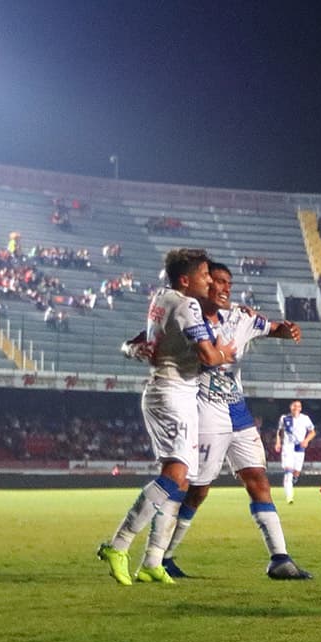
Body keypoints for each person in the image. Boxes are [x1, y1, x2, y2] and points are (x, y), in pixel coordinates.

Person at [156, 261, 311, 580]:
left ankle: (280, 559)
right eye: (218, 281)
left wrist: (286, 330)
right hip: (204, 413)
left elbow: (272, 328)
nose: (226, 288)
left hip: (238, 412)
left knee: (258, 479)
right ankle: (163, 556)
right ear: (203, 284)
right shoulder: (185, 317)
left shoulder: (241, 317)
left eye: (229, 282)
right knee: (197, 490)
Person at [97, 248, 236, 586]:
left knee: (180, 481)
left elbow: (144, 339)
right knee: (175, 476)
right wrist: (225, 353)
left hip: (173, 394)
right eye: (205, 275)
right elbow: (208, 357)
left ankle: (152, 561)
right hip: (173, 395)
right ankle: (119, 544)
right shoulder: (188, 305)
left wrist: (131, 348)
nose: (210, 280)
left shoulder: (163, 296)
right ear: (186, 280)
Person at [275, 401, 316, 503]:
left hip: (300, 448)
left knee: (296, 472)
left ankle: (293, 479)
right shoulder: (284, 418)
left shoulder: (305, 419)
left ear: (300, 408)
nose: (296, 408)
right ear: (291, 407)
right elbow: (279, 431)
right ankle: (289, 496)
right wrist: (278, 442)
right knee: (288, 471)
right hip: (288, 447)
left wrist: (306, 441)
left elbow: (312, 432)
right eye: (294, 406)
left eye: (298, 406)